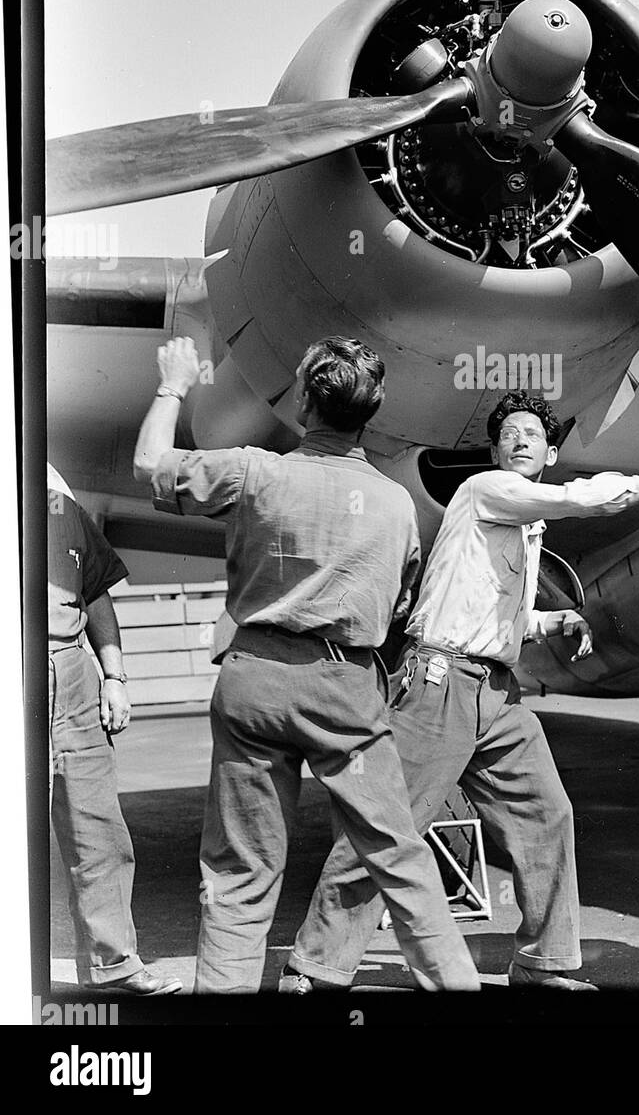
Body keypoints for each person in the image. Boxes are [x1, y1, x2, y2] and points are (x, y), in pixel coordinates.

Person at [281, 390, 639, 992]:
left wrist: (550, 622)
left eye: (532, 434)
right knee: (390, 825)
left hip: (498, 693)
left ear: (550, 450)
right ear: (493, 451)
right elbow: (577, 498)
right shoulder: (486, 492)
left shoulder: (524, 524)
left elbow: (490, 614)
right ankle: (315, 965)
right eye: (508, 433)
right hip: (440, 683)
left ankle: (544, 963)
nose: (519, 440)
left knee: (547, 814)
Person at [133, 336, 479, 994]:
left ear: (302, 402)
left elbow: (152, 465)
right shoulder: (396, 505)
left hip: (253, 679)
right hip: (344, 685)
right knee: (397, 856)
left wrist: (173, 384)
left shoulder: (254, 471)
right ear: (368, 414)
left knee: (241, 871)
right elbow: (401, 601)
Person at [47, 462, 182, 996]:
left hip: (74, 672)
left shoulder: (59, 500)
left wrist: (115, 676)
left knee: (96, 827)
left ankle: (115, 963)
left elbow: (95, 592)